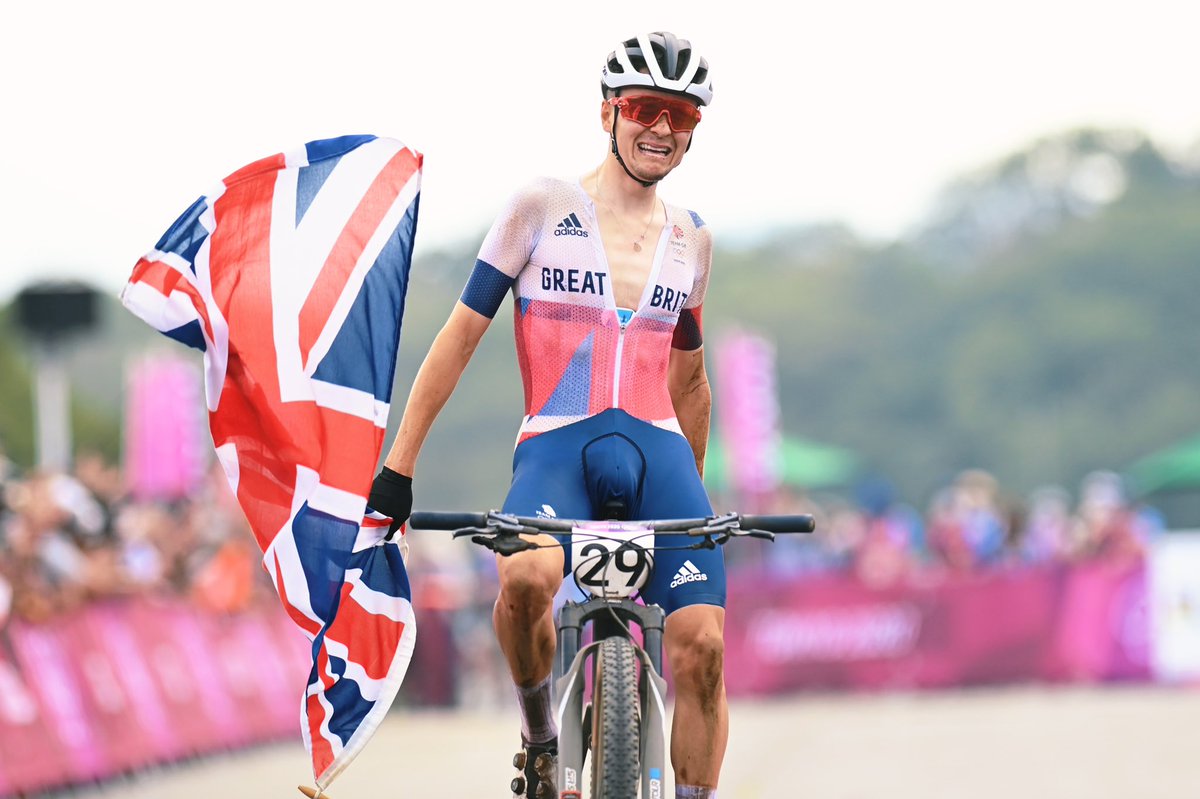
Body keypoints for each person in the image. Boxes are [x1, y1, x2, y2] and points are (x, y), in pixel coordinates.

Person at [370, 31, 724, 799]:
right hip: (557, 445)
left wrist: (690, 506)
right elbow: (458, 338)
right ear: (609, 113)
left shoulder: (693, 239)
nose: (662, 127)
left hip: (658, 452)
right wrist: (399, 468)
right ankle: (539, 734)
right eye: (644, 108)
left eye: (682, 115)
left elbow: (691, 382)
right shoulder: (541, 206)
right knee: (527, 577)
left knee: (703, 645)